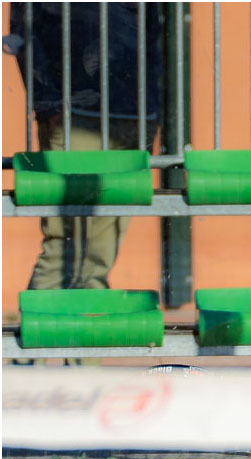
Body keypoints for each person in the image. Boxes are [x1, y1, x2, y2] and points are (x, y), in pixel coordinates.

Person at [6, 3, 162, 292]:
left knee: (100, 254)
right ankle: (47, 319)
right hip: (75, 115)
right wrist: (48, 102)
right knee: (63, 248)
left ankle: (85, 318)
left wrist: (154, 110)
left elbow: (153, 36)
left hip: (133, 116)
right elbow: (24, 30)